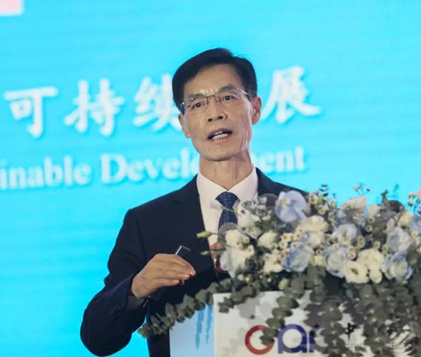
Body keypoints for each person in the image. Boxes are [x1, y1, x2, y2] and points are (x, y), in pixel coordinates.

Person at [80, 48, 299, 356]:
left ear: (255, 108)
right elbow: (97, 339)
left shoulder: (304, 211)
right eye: (197, 104)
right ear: (184, 124)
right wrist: (136, 289)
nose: (214, 113)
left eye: (227, 97)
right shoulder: (147, 222)